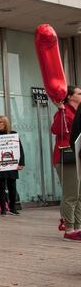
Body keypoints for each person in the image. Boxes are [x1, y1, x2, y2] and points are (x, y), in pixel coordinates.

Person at [54, 86, 81, 240]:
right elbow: (57, 129)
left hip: (77, 156)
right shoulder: (64, 111)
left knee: (79, 195)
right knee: (71, 194)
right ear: (70, 97)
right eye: (79, 93)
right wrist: (61, 110)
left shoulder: (78, 112)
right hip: (67, 158)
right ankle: (69, 229)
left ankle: (78, 226)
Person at [0, 115, 24, 217]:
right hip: (0, 165)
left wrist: (21, 163)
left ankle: (13, 208)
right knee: (1, 187)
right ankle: (3, 209)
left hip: (12, 164)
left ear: (6, 123)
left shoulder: (13, 134)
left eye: (1, 122)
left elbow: (20, 149)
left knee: (12, 186)